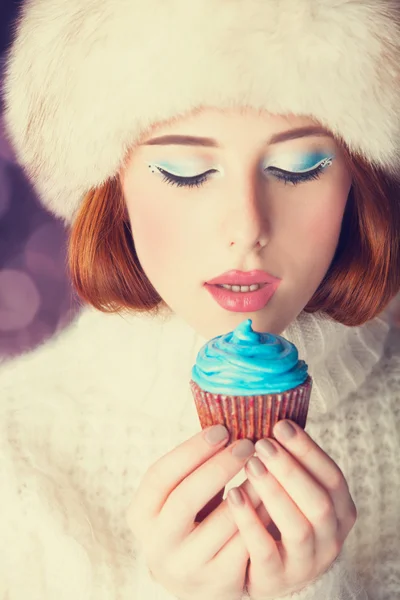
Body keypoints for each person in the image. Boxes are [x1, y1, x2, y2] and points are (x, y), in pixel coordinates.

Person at [1, 0, 400, 598]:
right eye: (186, 171)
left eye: (298, 166)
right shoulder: (15, 443)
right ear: (111, 186)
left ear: (360, 176)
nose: (246, 227)